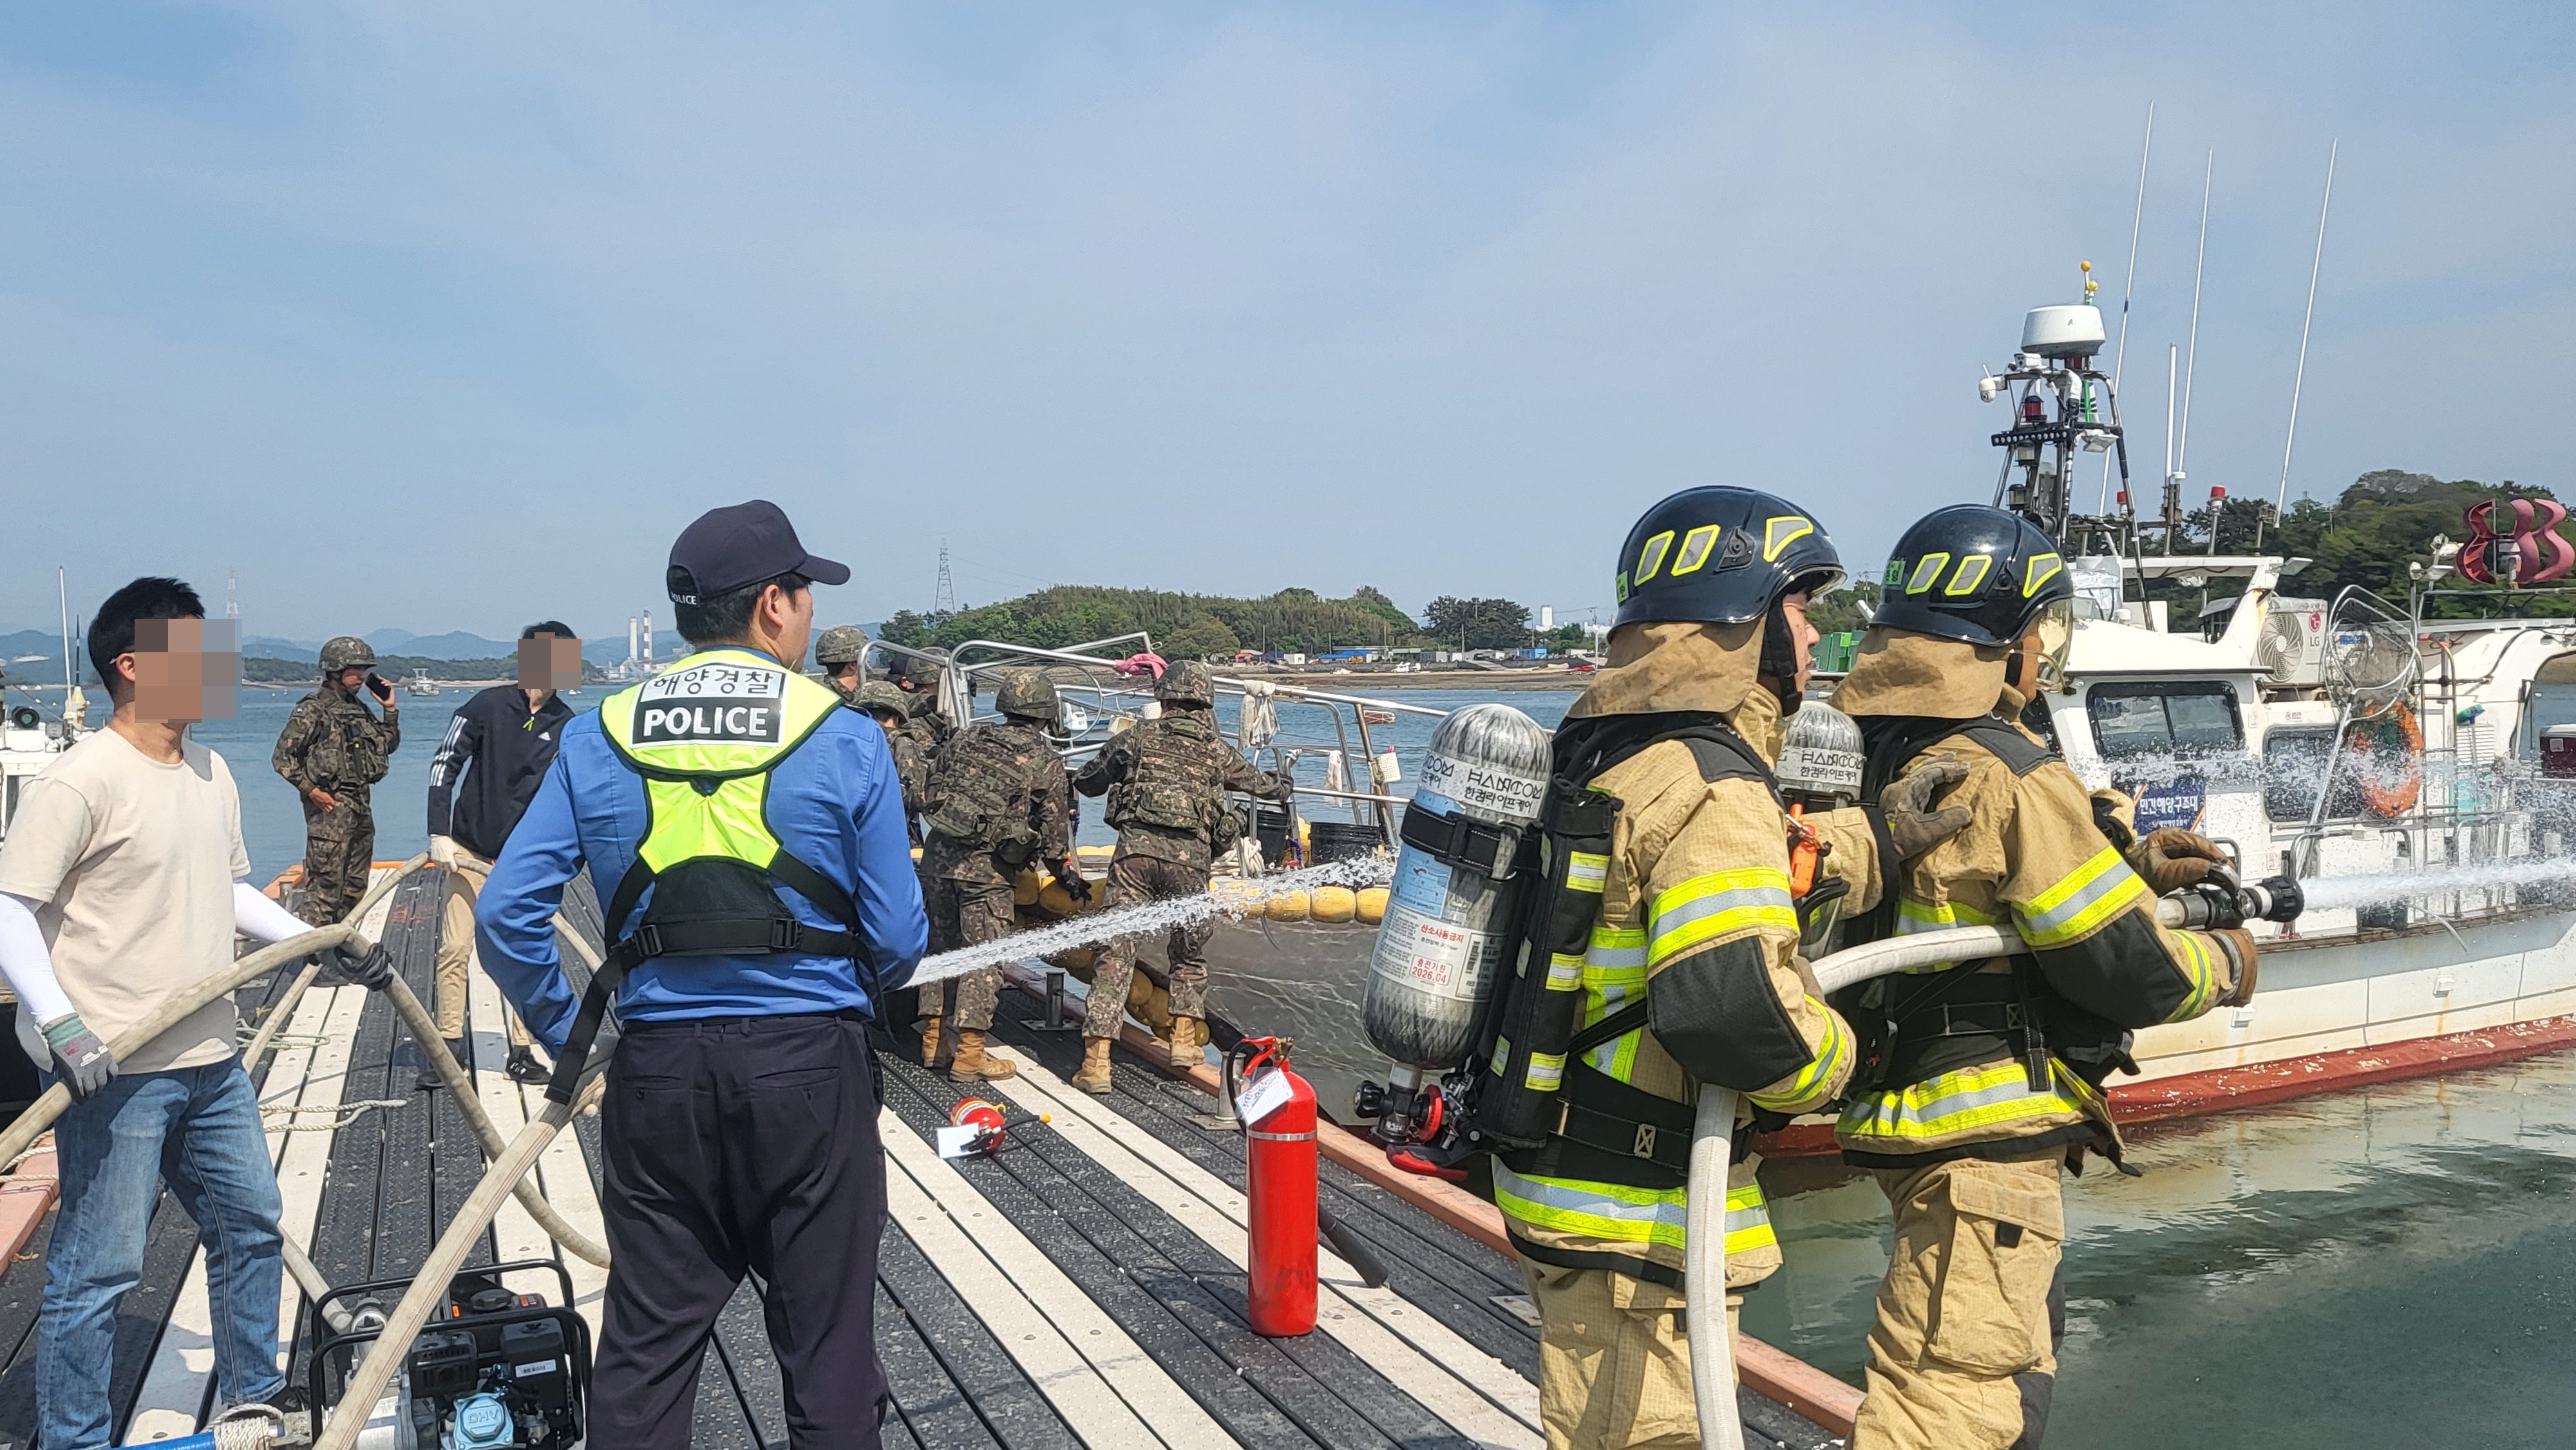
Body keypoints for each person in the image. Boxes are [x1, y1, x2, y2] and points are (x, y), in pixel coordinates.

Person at [1490, 489, 1970, 1450]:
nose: (1816, 631)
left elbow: (1721, 867)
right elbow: (1728, 1010)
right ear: (1740, 618)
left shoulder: (1619, 752)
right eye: (1799, 605)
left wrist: (1874, 836)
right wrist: (1845, 1059)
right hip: (1642, 1215)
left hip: (1569, 1179)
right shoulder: (1716, 785)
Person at [475, 500, 923, 1448]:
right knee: (829, 1357)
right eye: (804, 593)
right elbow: (897, 939)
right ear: (772, 604)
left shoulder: (598, 732)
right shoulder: (844, 734)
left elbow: (508, 915)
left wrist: (574, 1035)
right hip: (809, 1072)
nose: (810, 612)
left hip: (657, 1076)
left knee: (645, 1351)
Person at [1830, 504, 2256, 1449]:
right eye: (2046, 632)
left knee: (2000, 1367)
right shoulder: (2009, 770)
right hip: (1982, 1134)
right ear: (2012, 639)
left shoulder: (1867, 747)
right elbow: (2127, 969)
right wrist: (2227, 962)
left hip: (1896, 1103)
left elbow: (1965, 890)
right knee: (1959, 1399)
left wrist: (2125, 857)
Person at [0, 578, 389, 1448]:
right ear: (132, 666)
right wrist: (61, 1024)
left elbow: (230, 889)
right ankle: (73, 1437)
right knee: (100, 1270)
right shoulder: (81, 780)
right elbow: (10, 908)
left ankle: (255, 1402)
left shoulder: (211, 772)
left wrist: (321, 940)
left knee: (249, 1225)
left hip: (211, 1055)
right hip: (115, 1066)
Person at [1069, 660, 1290, 1093]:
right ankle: (1185, 1045)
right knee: (1188, 954)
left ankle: (1096, 1064)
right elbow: (1262, 785)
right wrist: (1282, 784)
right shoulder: (1214, 748)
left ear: (1163, 698)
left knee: (1116, 954)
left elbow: (1089, 782)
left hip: (1135, 859)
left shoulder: (1137, 737)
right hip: (1189, 864)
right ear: (1206, 703)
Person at [422, 621, 583, 1088]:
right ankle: (449, 1046)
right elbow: (445, 764)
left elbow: (573, 793)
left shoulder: (567, 724)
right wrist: (438, 831)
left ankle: (523, 1048)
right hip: (468, 848)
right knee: (455, 947)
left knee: (528, 950)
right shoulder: (486, 705)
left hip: (523, 860)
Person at [917, 669, 1083, 1081]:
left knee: (940, 951)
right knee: (983, 958)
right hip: (987, 873)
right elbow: (1055, 830)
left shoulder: (966, 737)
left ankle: (934, 1042)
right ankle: (971, 1055)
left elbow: (931, 786)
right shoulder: (1044, 759)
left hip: (938, 862)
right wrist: (1064, 875)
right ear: (1046, 713)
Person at [272, 636, 400, 927]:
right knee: (325, 887)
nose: (362, 676)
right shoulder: (314, 709)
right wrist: (312, 791)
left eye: (365, 670)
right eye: (356, 670)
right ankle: (315, 948)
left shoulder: (358, 708)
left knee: (355, 885)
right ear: (335, 670)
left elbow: (386, 746)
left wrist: (390, 710)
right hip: (330, 809)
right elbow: (282, 758)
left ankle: (343, 943)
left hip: (360, 804)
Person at [815, 624, 870, 702]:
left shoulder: (821, 694)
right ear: (853, 665)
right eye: (865, 659)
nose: (868, 665)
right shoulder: (835, 700)